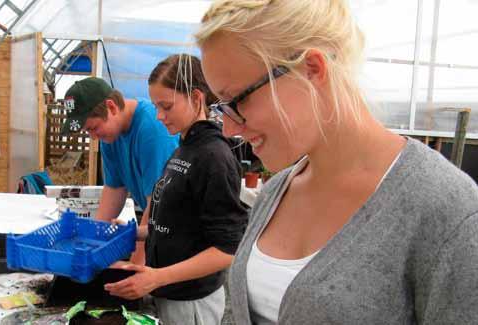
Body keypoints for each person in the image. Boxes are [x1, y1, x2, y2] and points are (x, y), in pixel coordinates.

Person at [196, 1, 478, 324]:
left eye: (238, 100)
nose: (229, 128)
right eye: (222, 107)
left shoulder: (445, 210)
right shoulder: (275, 193)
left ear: (312, 68)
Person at [104, 54, 248, 325]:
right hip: (168, 293)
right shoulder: (185, 147)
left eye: (166, 106)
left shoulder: (214, 156)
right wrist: (135, 232)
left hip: (192, 302)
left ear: (196, 98)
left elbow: (227, 249)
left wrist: (157, 277)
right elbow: (181, 224)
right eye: (157, 106)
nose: (159, 116)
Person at [60, 77, 179, 264]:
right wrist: (92, 241)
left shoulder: (153, 130)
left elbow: (158, 204)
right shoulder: (110, 136)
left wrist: (135, 265)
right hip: (155, 227)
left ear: (112, 107)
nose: (92, 137)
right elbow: (114, 190)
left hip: (176, 234)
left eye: (93, 128)